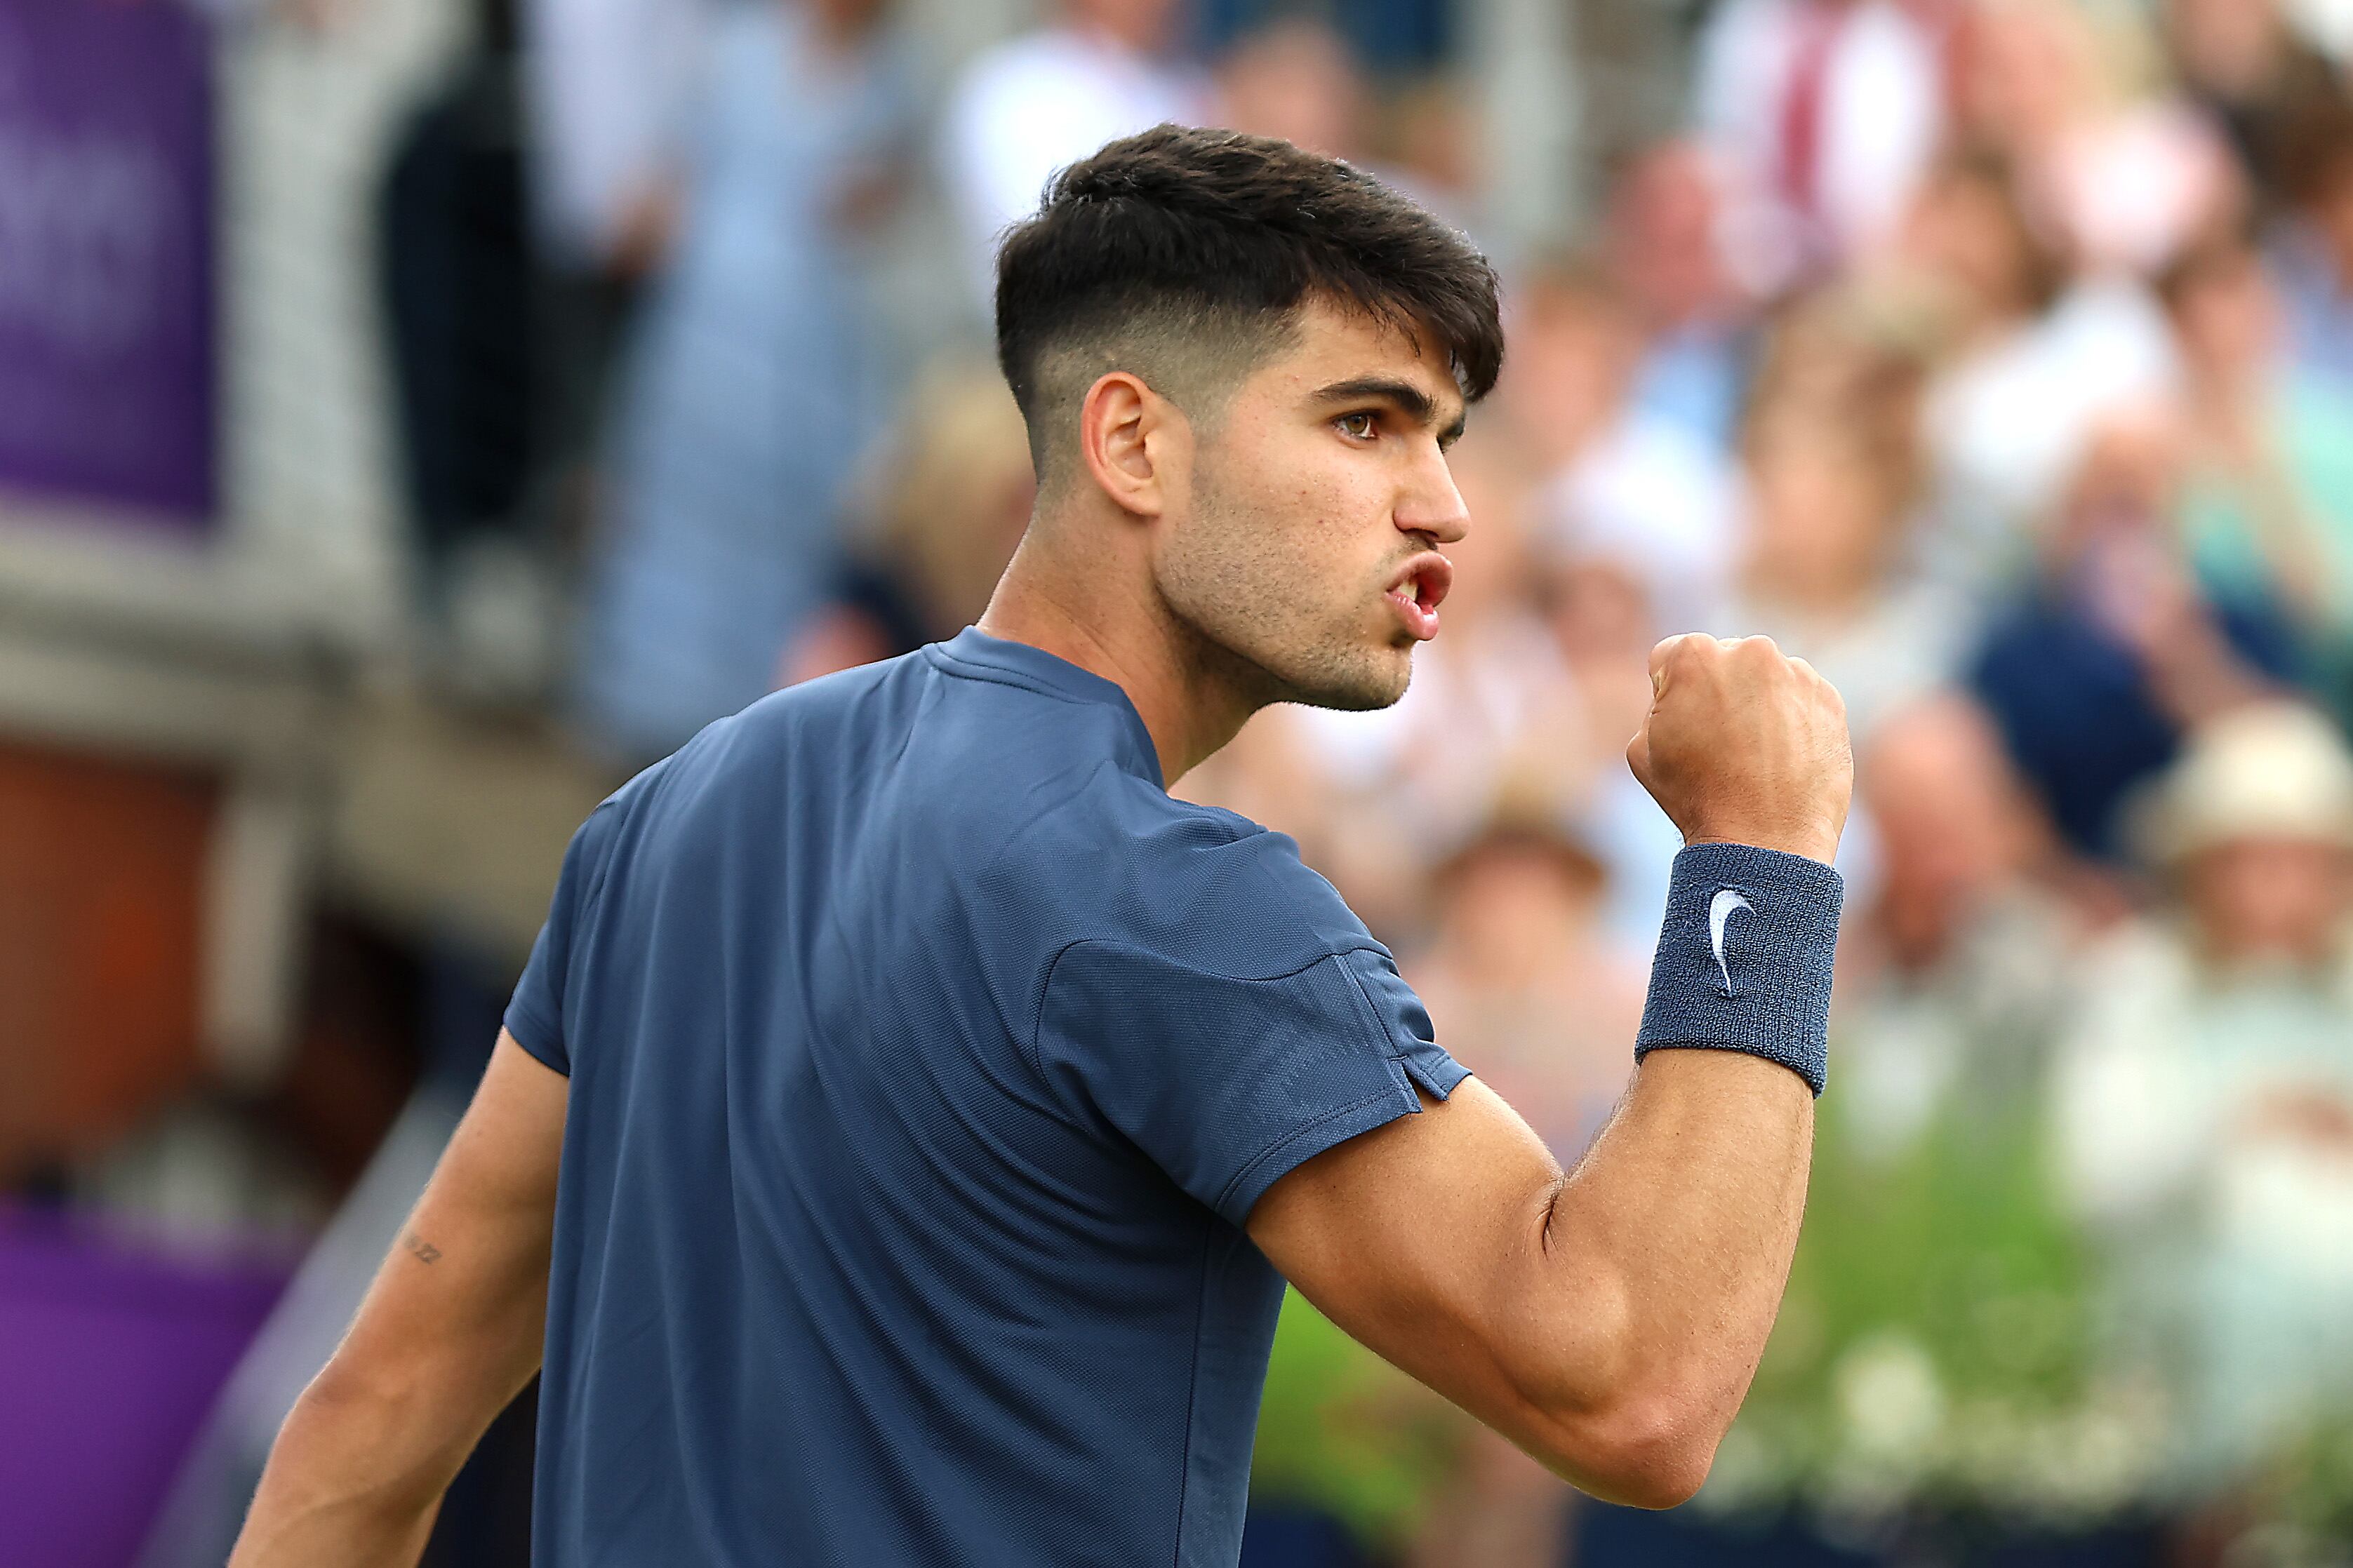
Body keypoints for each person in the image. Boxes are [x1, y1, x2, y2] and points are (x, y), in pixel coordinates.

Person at [227, 127, 1853, 1567]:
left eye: (1444, 435)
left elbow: (365, 1426)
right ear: (1133, 442)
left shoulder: (668, 814)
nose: (1443, 505)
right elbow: (1633, 1382)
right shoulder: (1166, 898)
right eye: (1366, 424)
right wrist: (1762, 859)